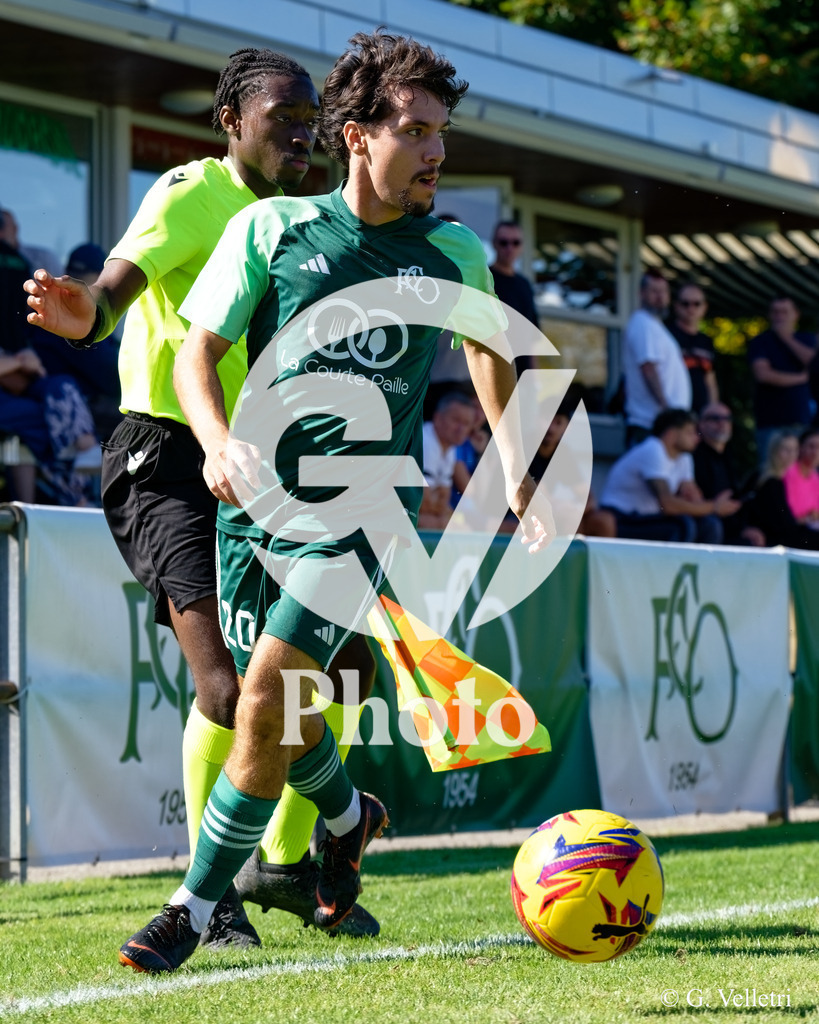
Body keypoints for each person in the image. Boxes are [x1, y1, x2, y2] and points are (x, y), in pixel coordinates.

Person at [116, 27, 552, 974]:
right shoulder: (269, 231)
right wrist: (219, 441)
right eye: (418, 130)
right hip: (249, 509)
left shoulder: (452, 252)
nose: (437, 151)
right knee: (287, 715)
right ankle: (351, 816)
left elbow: (485, 347)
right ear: (358, 135)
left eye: (443, 132)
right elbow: (196, 352)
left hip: (359, 515)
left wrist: (513, 460)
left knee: (264, 694)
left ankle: (192, 906)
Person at [24, 48, 377, 946]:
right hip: (169, 459)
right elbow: (115, 289)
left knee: (337, 677)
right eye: (281, 119)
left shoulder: (306, 220)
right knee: (228, 690)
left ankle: (286, 866)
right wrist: (86, 318)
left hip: (267, 464)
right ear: (230, 120)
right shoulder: (191, 193)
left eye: (309, 123)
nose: (300, 135)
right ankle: (231, 883)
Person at [600, 408, 739, 543]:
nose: (697, 438)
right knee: (682, 526)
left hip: (649, 519)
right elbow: (668, 504)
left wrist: (706, 501)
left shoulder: (684, 457)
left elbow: (694, 499)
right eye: (690, 432)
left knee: (709, 525)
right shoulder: (653, 449)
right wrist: (714, 506)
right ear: (671, 434)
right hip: (622, 518)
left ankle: (700, 566)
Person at [622, 271, 691, 447]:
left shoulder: (656, 326)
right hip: (650, 424)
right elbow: (648, 368)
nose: (660, 297)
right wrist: (666, 408)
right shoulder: (642, 323)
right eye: (654, 291)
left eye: (664, 292)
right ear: (641, 293)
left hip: (664, 424)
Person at [529, 400, 616, 538]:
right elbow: (536, 495)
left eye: (558, 422)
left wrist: (576, 510)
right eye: (547, 419)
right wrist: (568, 510)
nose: (551, 428)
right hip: (513, 514)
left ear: (567, 428)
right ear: (536, 419)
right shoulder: (526, 445)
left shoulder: (562, 452)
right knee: (568, 520)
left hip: (548, 511)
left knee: (604, 521)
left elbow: (588, 498)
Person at [748, 295, 817, 463]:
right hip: (770, 422)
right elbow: (763, 375)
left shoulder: (807, 339)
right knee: (772, 472)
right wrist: (801, 378)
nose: (780, 317)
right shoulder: (760, 342)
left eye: (785, 312)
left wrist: (786, 338)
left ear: (796, 315)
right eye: (776, 312)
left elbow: (814, 363)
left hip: (802, 421)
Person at [692, 401, 763, 546]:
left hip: (732, 526)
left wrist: (744, 528)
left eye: (727, 419)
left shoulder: (729, 456)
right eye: (715, 418)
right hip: (708, 524)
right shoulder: (693, 457)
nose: (722, 423)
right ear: (701, 424)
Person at [745, 431, 819, 550]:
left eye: (794, 450)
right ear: (774, 451)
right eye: (785, 449)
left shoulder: (778, 479)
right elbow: (785, 525)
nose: (791, 455)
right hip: (771, 540)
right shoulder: (770, 481)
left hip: (782, 535)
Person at [419, 390, 475, 529]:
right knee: (443, 525)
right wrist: (435, 502)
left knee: (458, 526)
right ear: (438, 418)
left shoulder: (450, 448)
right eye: (456, 420)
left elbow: (444, 498)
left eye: (466, 423)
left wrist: (435, 500)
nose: (461, 429)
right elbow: (422, 502)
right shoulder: (425, 441)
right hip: (388, 513)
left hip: (419, 515)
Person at [489, 220, 538, 376]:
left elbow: (532, 335)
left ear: (522, 247)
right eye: (504, 242)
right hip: (494, 370)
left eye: (515, 242)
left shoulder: (524, 285)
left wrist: (533, 377)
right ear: (494, 244)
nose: (510, 248)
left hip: (522, 373)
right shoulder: (484, 279)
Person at [667, 282, 718, 413]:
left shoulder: (706, 341)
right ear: (676, 306)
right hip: (674, 411)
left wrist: (712, 411)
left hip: (701, 415)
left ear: (704, 307)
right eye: (685, 303)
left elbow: (710, 379)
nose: (691, 308)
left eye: (697, 304)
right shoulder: (666, 336)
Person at [783, 426, 819, 526]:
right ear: (800, 447)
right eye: (811, 446)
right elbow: (789, 515)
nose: (816, 452)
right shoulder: (788, 472)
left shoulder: (815, 477)